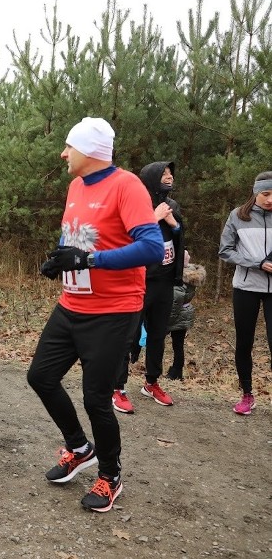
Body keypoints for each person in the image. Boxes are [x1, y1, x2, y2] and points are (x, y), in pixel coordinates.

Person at [27, 117, 163, 513]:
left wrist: (90, 259)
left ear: (89, 151)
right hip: (71, 305)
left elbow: (152, 248)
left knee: (96, 398)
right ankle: (79, 447)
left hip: (113, 312)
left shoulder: (127, 186)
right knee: (41, 376)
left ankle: (110, 475)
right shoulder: (75, 185)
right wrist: (60, 258)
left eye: (69, 147)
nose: (63, 154)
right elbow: (74, 235)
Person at [112, 161, 184, 413]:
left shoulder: (172, 205)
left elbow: (179, 235)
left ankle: (151, 382)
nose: (169, 177)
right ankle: (117, 387)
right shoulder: (137, 203)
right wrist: (153, 218)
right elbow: (126, 237)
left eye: (171, 174)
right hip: (140, 280)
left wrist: (174, 224)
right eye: (164, 174)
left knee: (157, 334)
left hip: (165, 281)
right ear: (152, 178)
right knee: (127, 334)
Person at [218, 171, 272, 416]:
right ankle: (247, 395)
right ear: (255, 192)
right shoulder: (238, 216)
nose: (270, 199)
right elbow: (225, 251)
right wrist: (257, 263)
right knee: (244, 342)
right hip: (246, 288)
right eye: (266, 194)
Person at [164, 251, 206, 380]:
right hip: (184, 313)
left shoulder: (181, 278)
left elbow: (175, 302)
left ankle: (174, 372)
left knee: (175, 345)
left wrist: (166, 323)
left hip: (177, 315)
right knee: (178, 345)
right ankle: (177, 371)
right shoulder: (191, 274)